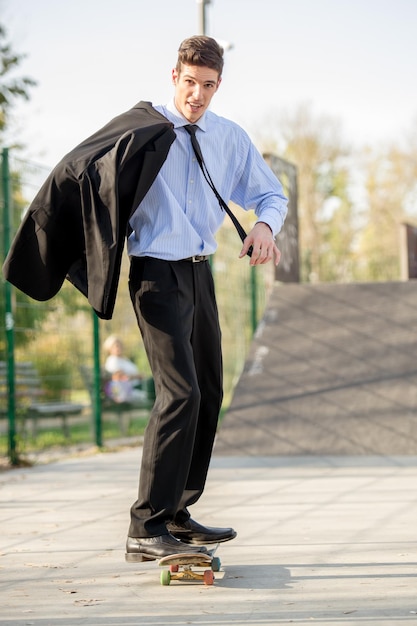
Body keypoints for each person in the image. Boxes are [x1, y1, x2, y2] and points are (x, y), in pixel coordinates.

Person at [124, 35, 288, 562]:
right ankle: (145, 526)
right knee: (181, 393)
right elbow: (87, 180)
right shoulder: (142, 131)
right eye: (190, 82)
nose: (197, 95)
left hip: (199, 272)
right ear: (174, 77)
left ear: (219, 85)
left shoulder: (227, 137)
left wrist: (264, 226)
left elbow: (270, 193)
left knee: (210, 392)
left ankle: (177, 511)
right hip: (154, 273)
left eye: (209, 85)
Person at [103, 335, 147, 404]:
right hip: (128, 391)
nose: (118, 348)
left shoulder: (124, 359)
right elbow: (119, 377)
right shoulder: (112, 361)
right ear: (109, 348)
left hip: (137, 386)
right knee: (150, 394)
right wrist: (136, 376)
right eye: (115, 346)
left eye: (120, 345)